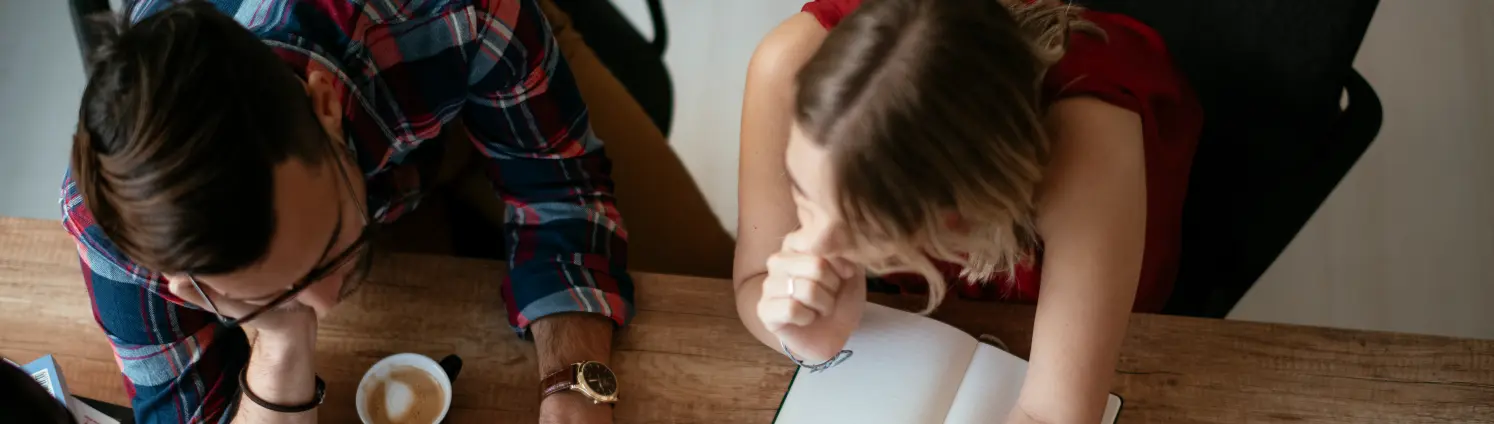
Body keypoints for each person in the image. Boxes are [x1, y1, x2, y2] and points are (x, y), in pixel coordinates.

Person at [63, 0, 733, 423]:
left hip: (471, 79)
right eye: (281, 291)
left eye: (328, 248)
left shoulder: (452, 12)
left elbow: (558, 186)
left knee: (720, 292)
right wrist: (278, 344)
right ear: (187, 285)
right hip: (382, 179)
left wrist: (575, 393)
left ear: (323, 106)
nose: (326, 303)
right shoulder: (116, 227)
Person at [733, 0, 1202, 422]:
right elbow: (754, 281)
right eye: (801, 191)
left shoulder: (1087, 146)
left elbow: (1054, 415)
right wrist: (805, 338)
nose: (811, 247)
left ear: (960, 215)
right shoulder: (787, 67)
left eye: (863, 226)